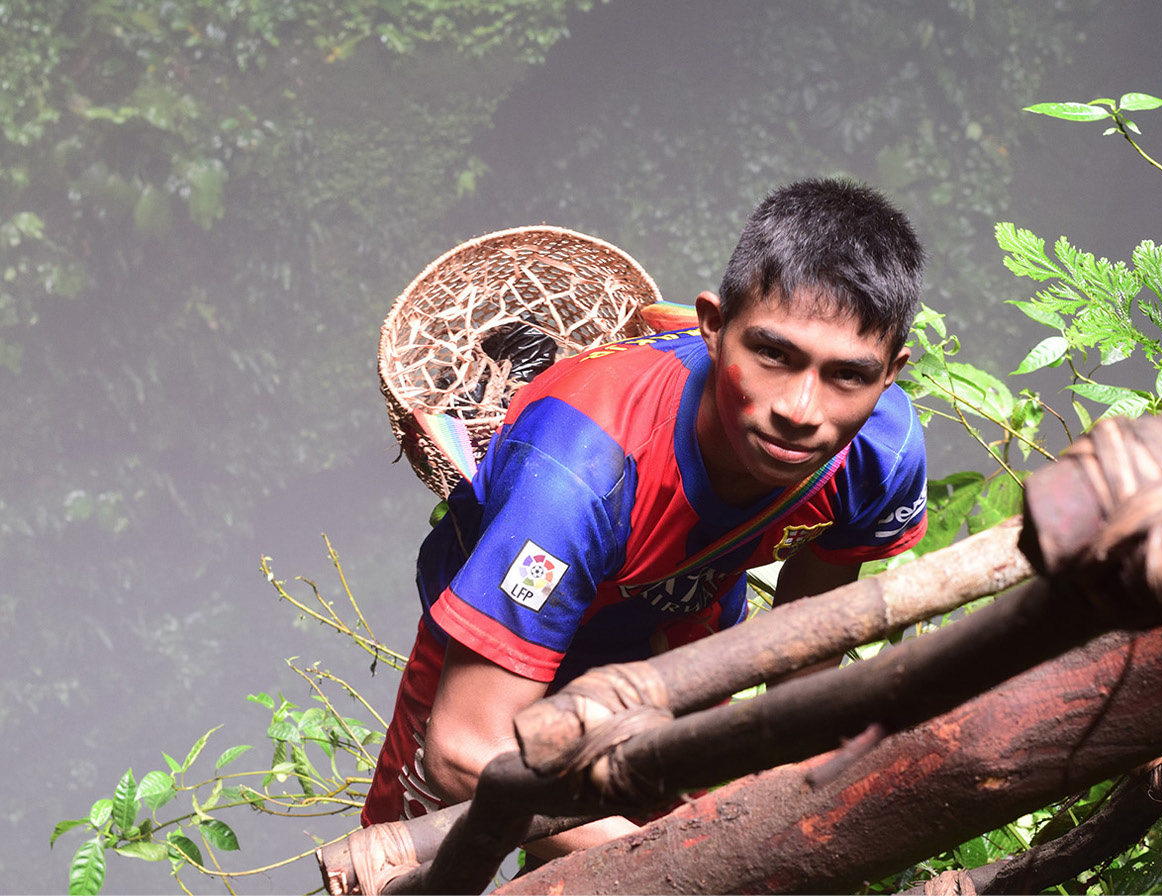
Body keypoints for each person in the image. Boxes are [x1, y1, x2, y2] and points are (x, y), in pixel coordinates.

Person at [361, 177, 930, 858]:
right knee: (405, 865)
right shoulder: (580, 473)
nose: (800, 409)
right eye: (772, 354)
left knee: (664, 813)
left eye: (846, 375)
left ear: (890, 373)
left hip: (669, 632)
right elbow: (464, 748)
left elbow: (811, 625)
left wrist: (788, 784)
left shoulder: (878, 449)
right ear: (714, 328)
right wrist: (669, 866)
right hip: (495, 634)